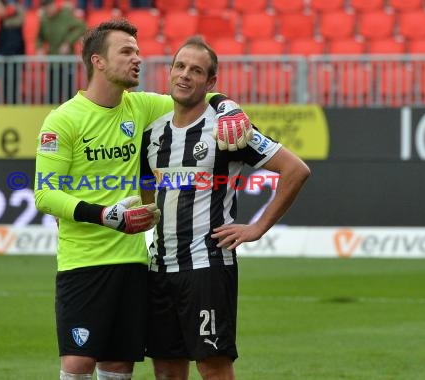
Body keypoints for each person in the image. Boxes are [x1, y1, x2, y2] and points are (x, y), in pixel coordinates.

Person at [34, 19, 252, 380]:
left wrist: (229, 106)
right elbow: (44, 193)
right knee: (77, 364)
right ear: (97, 61)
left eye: (137, 51)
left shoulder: (142, 108)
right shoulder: (62, 120)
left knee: (118, 365)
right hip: (82, 262)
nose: (138, 59)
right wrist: (105, 215)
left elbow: (195, 92)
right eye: (126, 52)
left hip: (136, 262)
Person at [141, 36, 310, 380]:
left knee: (213, 367)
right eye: (180, 66)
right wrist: (147, 213)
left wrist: (257, 228)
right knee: (166, 370)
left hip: (207, 267)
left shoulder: (229, 128)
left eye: (196, 70)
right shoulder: (152, 133)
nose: (185, 75)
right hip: (159, 267)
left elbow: (296, 170)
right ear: (170, 72)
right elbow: (147, 184)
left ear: (210, 82)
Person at [36, 0, 86, 103]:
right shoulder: (44, 19)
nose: (49, 10)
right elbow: (40, 37)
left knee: (68, 92)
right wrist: (40, 47)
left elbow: (81, 26)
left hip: (67, 61)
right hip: (52, 60)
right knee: (52, 92)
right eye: (46, 8)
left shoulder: (65, 15)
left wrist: (68, 42)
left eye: (50, 6)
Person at [0, 0, 25, 104]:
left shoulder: (12, 23)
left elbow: (13, 44)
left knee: (11, 91)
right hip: (7, 62)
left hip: (11, 62)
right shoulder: (5, 21)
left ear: (4, 7)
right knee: (7, 91)